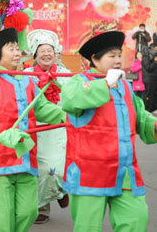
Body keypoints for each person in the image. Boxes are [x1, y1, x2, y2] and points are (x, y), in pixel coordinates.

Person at [0, 28, 66, 232]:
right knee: (3, 221)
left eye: (18, 49)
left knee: (28, 212)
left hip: (25, 159)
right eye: (11, 49)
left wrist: (69, 117)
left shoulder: (27, 80)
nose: (17, 53)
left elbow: (41, 108)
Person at [61, 30, 157, 232]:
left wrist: (154, 124)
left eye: (119, 55)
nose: (117, 60)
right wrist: (106, 83)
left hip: (125, 172)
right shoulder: (79, 82)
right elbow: (70, 101)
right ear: (94, 59)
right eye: (111, 56)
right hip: (90, 173)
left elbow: (141, 118)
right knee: (88, 228)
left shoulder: (126, 87)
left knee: (136, 220)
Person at [23, 29, 70, 224]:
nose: (46, 53)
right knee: (38, 171)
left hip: (60, 127)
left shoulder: (66, 74)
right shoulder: (25, 74)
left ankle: (59, 191)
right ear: (35, 54)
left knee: (55, 169)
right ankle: (43, 207)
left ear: (56, 53)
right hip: (35, 128)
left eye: (50, 49)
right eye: (41, 50)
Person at [141, 44, 157, 112]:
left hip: (154, 79)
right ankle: (147, 109)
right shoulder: (146, 57)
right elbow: (148, 68)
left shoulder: (153, 56)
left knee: (153, 95)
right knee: (149, 95)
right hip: (149, 80)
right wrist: (155, 62)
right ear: (152, 48)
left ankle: (153, 108)